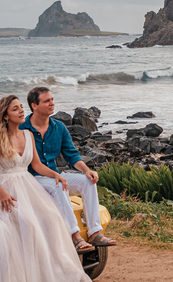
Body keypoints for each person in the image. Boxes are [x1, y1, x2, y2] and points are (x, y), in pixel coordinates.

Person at [0, 94, 92, 282]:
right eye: (15, 109)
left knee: (53, 220)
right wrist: (2, 192)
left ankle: (59, 280)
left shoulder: (28, 135)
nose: (21, 111)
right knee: (28, 225)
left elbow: (37, 165)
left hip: (28, 186)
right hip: (6, 191)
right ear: (5, 115)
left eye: (21, 107)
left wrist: (56, 175)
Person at [21, 86, 116, 253]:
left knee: (88, 181)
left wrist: (87, 171)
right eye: (46, 101)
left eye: (52, 99)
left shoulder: (59, 127)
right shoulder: (22, 129)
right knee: (59, 185)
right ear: (34, 106)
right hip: (33, 178)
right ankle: (75, 236)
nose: (52, 103)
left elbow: (72, 155)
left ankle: (95, 233)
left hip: (54, 174)